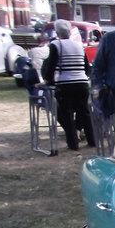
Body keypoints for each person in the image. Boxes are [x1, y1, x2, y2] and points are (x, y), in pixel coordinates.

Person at [42, 19, 95, 151]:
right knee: (85, 112)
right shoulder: (78, 46)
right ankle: (92, 140)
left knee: (67, 113)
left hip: (65, 83)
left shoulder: (55, 45)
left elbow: (51, 65)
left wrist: (48, 80)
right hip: (82, 83)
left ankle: (73, 143)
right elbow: (86, 67)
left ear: (57, 32)